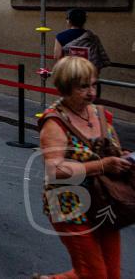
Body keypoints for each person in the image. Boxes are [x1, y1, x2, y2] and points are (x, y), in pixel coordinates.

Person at [36, 56, 130, 279]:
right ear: (66, 88)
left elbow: (114, 149)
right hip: (67, 204)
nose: (91, 92)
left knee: (111, 273)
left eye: (93, 84)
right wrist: (103, 165)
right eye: (83, 87)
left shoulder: (101, 114)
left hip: (106, 200)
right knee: (94, 273)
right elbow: (54, 170)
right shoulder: (54, 121)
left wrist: (123, 158)